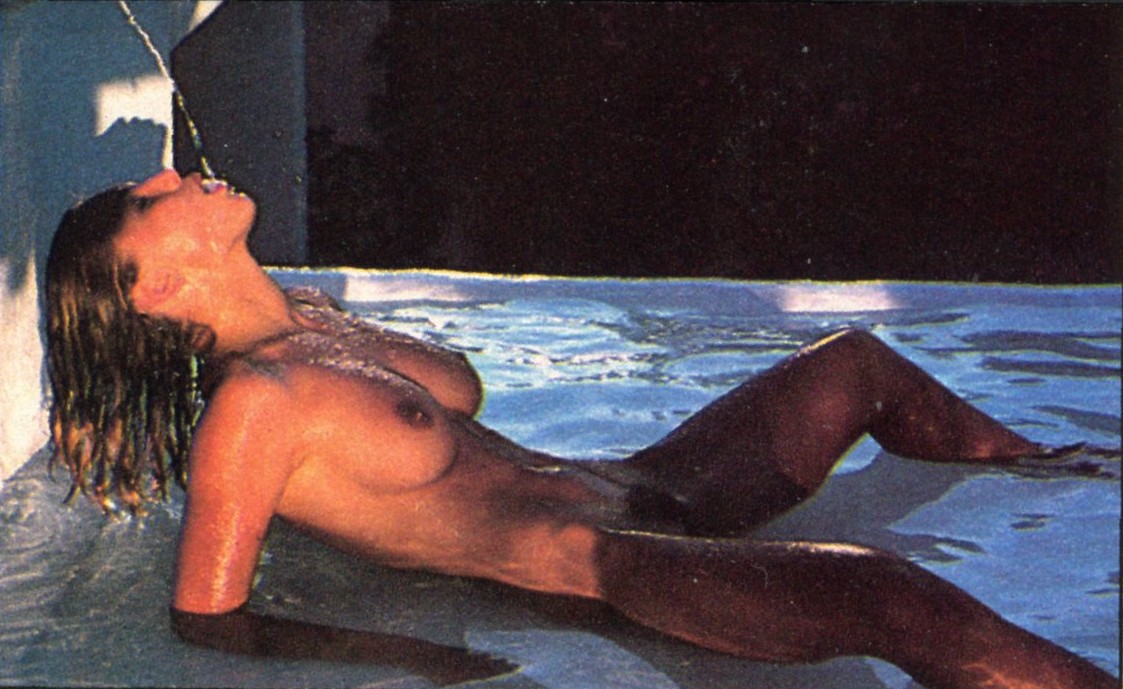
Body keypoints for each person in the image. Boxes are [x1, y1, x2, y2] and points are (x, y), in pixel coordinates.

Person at [45, 168, 1115, 689]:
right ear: (151, 288)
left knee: (853, 364)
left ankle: (1040, 461)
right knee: (887, 592)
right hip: (606, 563)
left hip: (645, 482)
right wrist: (412, 657)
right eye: (147, 196)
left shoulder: (315, 321)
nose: (170, 174)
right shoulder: (253, 406)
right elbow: (208, 616)